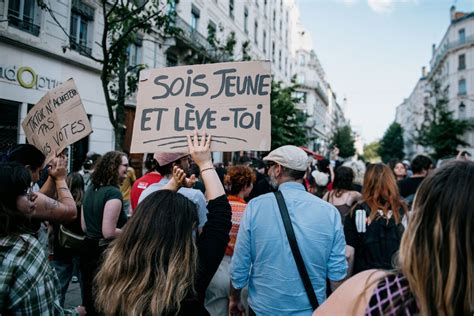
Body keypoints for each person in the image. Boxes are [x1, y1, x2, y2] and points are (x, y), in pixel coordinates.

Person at [94, 132, 232, 315]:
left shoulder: (115, 282)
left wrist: (174, 184)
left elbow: (149, 212)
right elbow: (220, 218)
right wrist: (206, 163)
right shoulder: (190, 279)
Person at [314, 160, 474, 315]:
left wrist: (347, 286)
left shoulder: (372, 289)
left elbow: (349, 252)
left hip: (373, 282)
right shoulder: (403, 209)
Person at [230, 145, 347, 315]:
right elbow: (337, 273)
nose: (268, 171)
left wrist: (234, 298)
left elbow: (240, 263)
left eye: (270, 167)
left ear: (278, 170)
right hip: (311, 309)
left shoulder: (255, 207)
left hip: (264, 308)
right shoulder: (329, 212)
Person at [0, 162, 82, 315]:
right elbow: (70, 212)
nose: (33, 195)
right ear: (7, 201)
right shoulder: (25, 250)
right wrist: (59, 179)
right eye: (25, 191)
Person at [80, 151, 129, 315]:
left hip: (87, 250)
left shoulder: (90, 188)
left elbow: (84, 227)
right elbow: (108, 232)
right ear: (114, 167)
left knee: (89, 301)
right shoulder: (113, 193)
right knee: (105, 302)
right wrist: (131, 232)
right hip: (103, 254)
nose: (127, 170)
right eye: (125, 166)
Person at [205, 165, 256, 315]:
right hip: (242, 271)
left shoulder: (216, 208)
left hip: (217, 267)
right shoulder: (250, 211)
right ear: (246, 186)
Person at [344, 163, 407, 276]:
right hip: (398, 280)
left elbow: (349, 253)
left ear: (367, 182)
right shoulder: (403, 210)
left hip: (366, 280)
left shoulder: (357, 211)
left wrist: (347, 282)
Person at [138, 151, 208, 230]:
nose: (189, 163)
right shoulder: (195, 196)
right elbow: (202, 232)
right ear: (175, 166)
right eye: (186, 159)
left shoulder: (146, 193)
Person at [50, 172, 86, 306]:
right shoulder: (84, 205)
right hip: (81, 250)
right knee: (85, 287)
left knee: (59, 288)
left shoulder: (59, 204)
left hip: (61, 250)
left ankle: (57, 310)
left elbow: (51, 228)